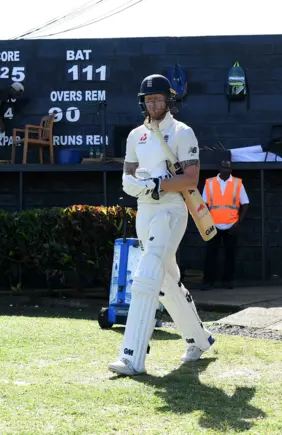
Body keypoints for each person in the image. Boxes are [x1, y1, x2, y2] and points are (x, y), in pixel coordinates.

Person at [108, 74, 215, 376]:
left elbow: (191, 179)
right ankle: (199, 339)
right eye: (148, 99)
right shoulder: (135, 135)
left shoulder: (182, 132)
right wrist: (134, 185)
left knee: (147, 273)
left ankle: (132, 356)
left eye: (158, 99)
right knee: (166, 279)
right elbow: (128, 174)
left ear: (169, 100)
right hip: (145, 209)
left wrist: (157, 184)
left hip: (171, 209)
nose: (153, 104)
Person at [201, 160, 249, 290]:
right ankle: (208, 282)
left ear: (231, 169)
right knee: (211, 254)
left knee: (230, 254)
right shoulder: (209, 183)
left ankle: (227, 281)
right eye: (223, 167)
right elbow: (204, 204)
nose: (226, 170)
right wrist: (206, 223)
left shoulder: (237, 183)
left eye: (228, 168)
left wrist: (239, 222)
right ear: (219, 169)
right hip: (214, 225)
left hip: (231, 225)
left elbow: (245, 203)